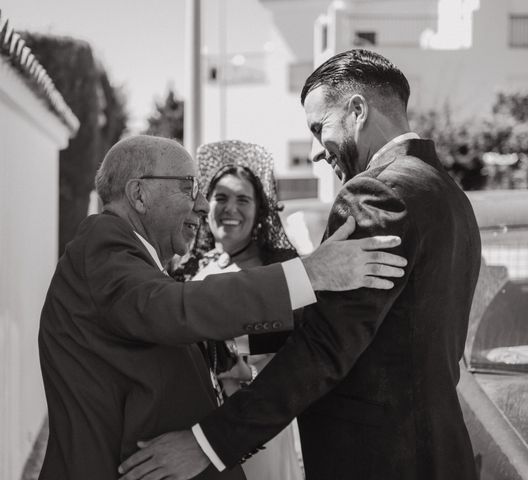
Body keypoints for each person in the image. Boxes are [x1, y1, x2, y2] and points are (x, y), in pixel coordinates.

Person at [118, 49, 482, 480]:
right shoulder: (450, 195)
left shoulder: (375, 194)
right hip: (440, 453)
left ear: (357, 111)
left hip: (380, 461)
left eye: (318, 127)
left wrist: (207, 444)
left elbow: (326, 344)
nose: (315, 152)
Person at [37, 134, 407, 480]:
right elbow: (170, 310)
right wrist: (308, 274)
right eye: (189, 187)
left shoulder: (134, 257)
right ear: (139, 194)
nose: (202, 203)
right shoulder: (103, 246)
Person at [178, 139, 305, 480]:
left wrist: (237, 355)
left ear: (259, 210)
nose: (230, 209)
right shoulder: (189, 270)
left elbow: (295, 352)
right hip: (195, 429)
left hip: (254, 423)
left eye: (243, 199)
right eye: (221, 198)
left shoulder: (276, 275)